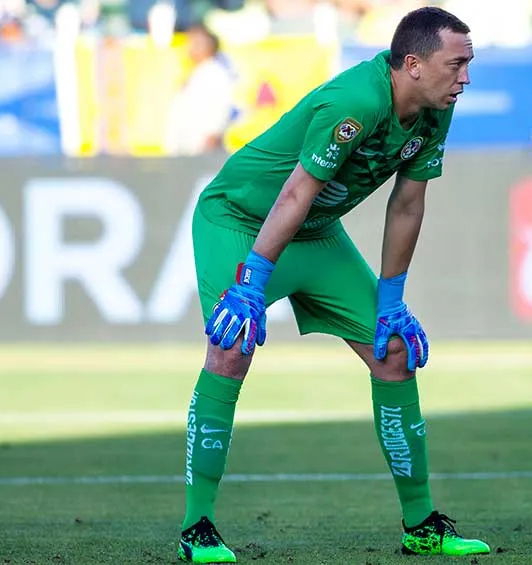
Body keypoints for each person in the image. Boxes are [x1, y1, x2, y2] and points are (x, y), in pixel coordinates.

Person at [178, 6, 490, 563]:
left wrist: (391, 298)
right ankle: (196, 527)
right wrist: (251, 281)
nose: (465, 76)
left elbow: (407, 204)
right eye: (457, 63)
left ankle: (421, 525)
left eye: (468, 63)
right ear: (413, 64)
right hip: (241, 220)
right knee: (231, 347)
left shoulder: (434, 110)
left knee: (392, 351)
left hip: (316, 232)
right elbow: (295, 192)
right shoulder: (356, 102)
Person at [165, 23, 237, 156]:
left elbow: (222, 107)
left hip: (204, 147)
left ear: (209, 46)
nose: (190, 47)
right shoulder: (194, 72)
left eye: (196, 42)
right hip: (186, 147)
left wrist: (213, 134)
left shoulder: (216, 73)